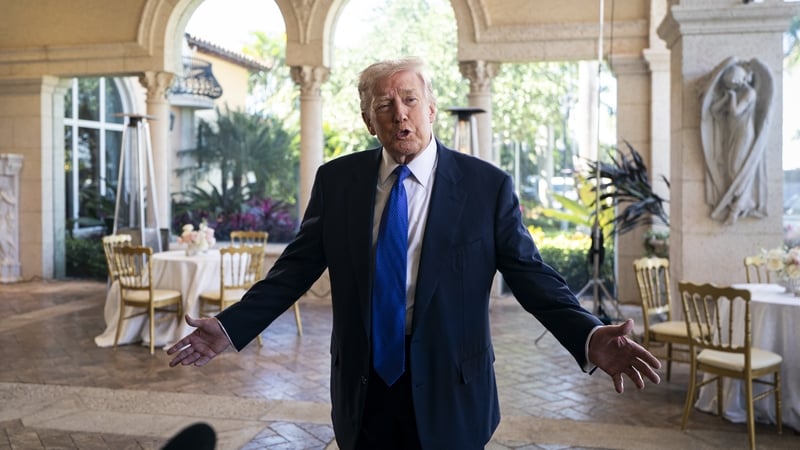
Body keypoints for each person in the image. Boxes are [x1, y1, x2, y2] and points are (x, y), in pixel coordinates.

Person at [168, 56, 661, 450]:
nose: (399, 113)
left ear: (431, 109)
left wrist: (587, 333)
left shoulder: (485, 187)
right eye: (385, 105)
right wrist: (232, 326)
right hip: (363, 386)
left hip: (453, 389)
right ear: (368, 120)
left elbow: (532, 277)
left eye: (409, 99)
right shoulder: (337, 182)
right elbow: (293, 270)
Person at [699, 56, 774, 225]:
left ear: (738, 80)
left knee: (737, 169)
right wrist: (723, 98)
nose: (728, 88)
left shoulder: (749, 93)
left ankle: (737, 207)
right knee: (731, 168)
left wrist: (730, 97)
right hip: (732, 134)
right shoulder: (736, 93)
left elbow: (735, 112)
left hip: (744, 134)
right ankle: (740, 203)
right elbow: (714, 109)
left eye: (730, 84)